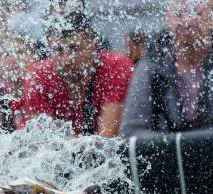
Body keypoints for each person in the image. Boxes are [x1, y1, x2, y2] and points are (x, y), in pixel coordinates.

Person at [20, 8, 133, 137]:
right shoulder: (40, 76)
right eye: (59, 50)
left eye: (75, 49)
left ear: (94, 47)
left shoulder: (116, 66)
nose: (66, 58)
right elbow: (45, 139)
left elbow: (108, 137)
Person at [120, 0, 213, 137]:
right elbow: (131, 131)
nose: (187, 21)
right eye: (179, 14)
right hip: (167, 155)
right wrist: (174, 147)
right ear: (168, 19)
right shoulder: (151, 66)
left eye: (197, 14)